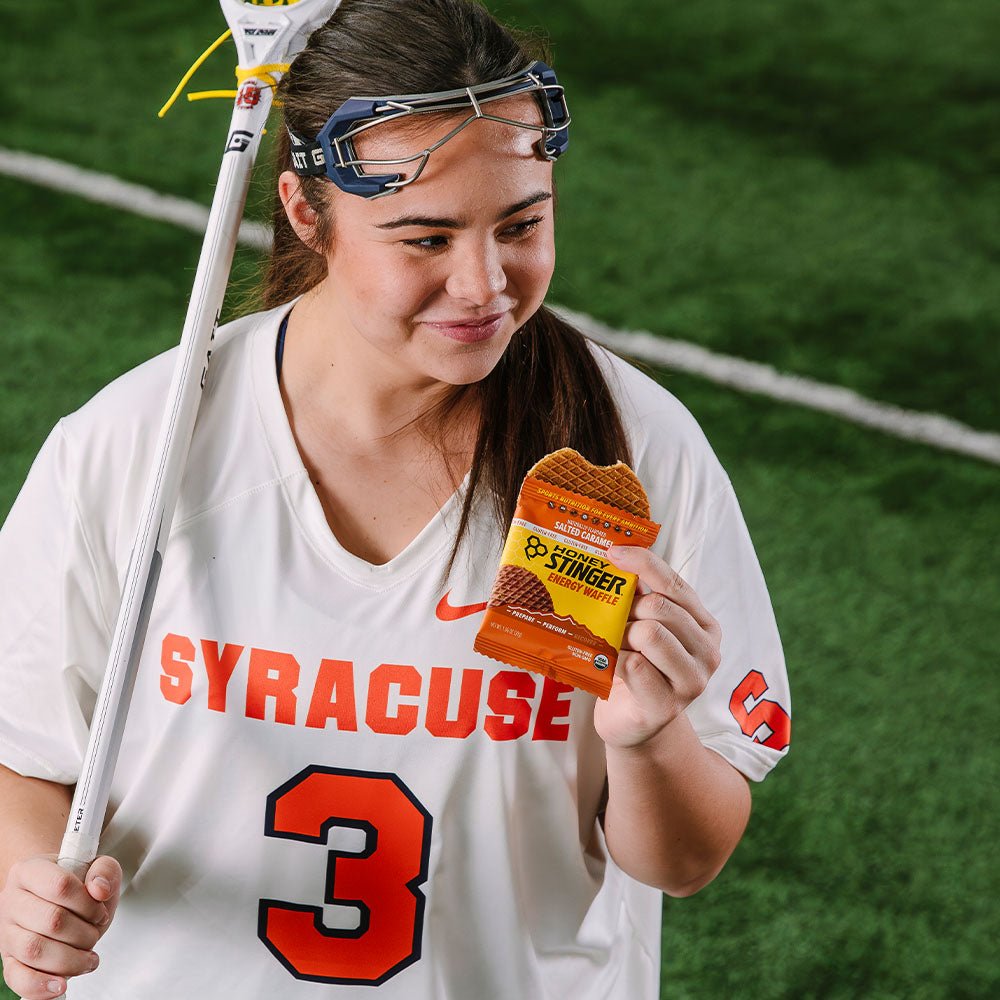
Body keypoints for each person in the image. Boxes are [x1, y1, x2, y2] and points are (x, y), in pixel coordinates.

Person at [0, 1, 791, 997]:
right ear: (306, 213)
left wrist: (649, 737)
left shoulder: (629, 454)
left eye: (521, 224)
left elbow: (684, 862)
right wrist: (25, 887)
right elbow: (22, 750)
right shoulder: (133, 446)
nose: (484, 284)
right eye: (425, 239)